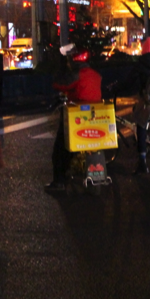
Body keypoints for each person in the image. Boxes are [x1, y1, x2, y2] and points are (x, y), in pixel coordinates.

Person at [46, 45, 102, 191]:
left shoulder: (77, 75)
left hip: (77, 117)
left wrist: (61, 67)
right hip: (95, 118)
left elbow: (58, 84)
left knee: (60, 149)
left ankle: (59, 182)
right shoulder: (95, 74)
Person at [118, 37, 150, 175]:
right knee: (139, 113)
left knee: (140, 125)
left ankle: (142, 161)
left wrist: (118, 88)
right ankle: (146, 141)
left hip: (148, 100)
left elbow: (129, 81)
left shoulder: (141, 64)